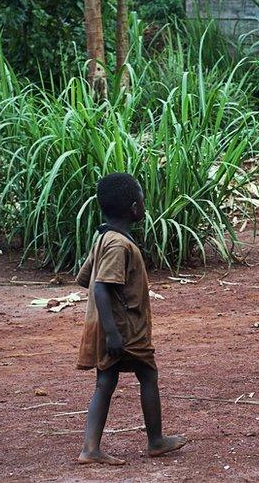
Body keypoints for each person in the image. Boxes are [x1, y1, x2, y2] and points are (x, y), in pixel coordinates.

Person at [74, 173, 185, 465]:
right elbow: (99, 286)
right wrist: (113, 331)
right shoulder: (118, 245)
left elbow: (86, 278)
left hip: (113, 324)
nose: (144, 206)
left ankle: (91, 447)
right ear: (134, 208)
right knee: (147, 374)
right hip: (126, 327)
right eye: (143, 201)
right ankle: (155, 440)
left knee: (106, 381)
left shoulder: (104, 238)